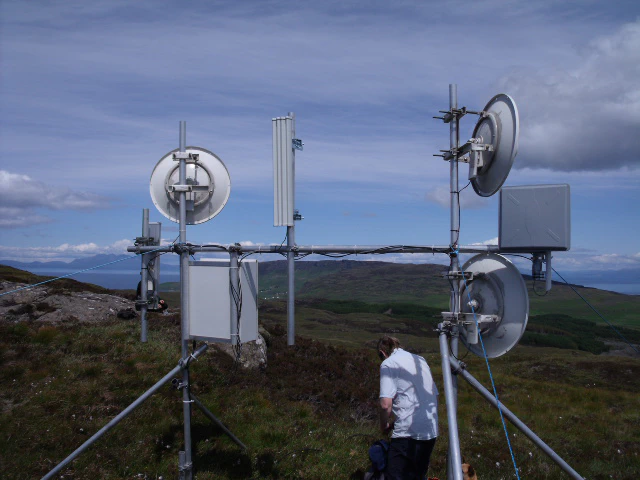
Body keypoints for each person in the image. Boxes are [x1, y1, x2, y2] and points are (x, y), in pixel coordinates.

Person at [378, 336, 438, 480]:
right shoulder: (420, 361)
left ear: (382, 352)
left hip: (407, 433)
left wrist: (384, 425)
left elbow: (385, 404)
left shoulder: (388, 363)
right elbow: (433, 394)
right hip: (430, 430)